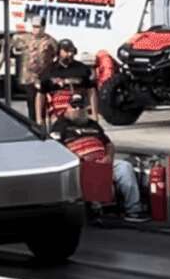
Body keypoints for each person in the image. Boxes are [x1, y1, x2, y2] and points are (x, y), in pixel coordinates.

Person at [50, 93, 149, 223]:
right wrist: (79, 159)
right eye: (74, 106)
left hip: (103, 161)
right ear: (66, 108)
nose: (78, 109)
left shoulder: (93, 125)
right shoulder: (61, 125)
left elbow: (109, 144)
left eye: (81, 106)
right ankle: (95, 210)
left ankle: (133, 210)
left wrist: (109, 157)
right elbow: (56, 150)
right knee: (91, 171)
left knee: (124, 167)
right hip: (81, 165)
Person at [37, 38, 98, 125]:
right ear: (59, 52)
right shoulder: (49, 70)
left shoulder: (82, 69)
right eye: (66, 51)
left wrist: (95, 115)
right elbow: (40, 95)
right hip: (57, 111)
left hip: (78, 109)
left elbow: (91, 91)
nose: (70, 54)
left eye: (72, 51)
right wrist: (39, 118)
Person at [12, 15, 57, 121]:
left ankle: (42, 124)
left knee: (43, 105)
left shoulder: (50, 41)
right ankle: (33, 124)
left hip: (43, 77)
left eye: (38, 27)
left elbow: (56, 55)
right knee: (31, 102)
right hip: (29, 78)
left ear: (43, 27)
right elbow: (12, 45)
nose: (35, 29)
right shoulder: (25, 38)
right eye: (33, 26)